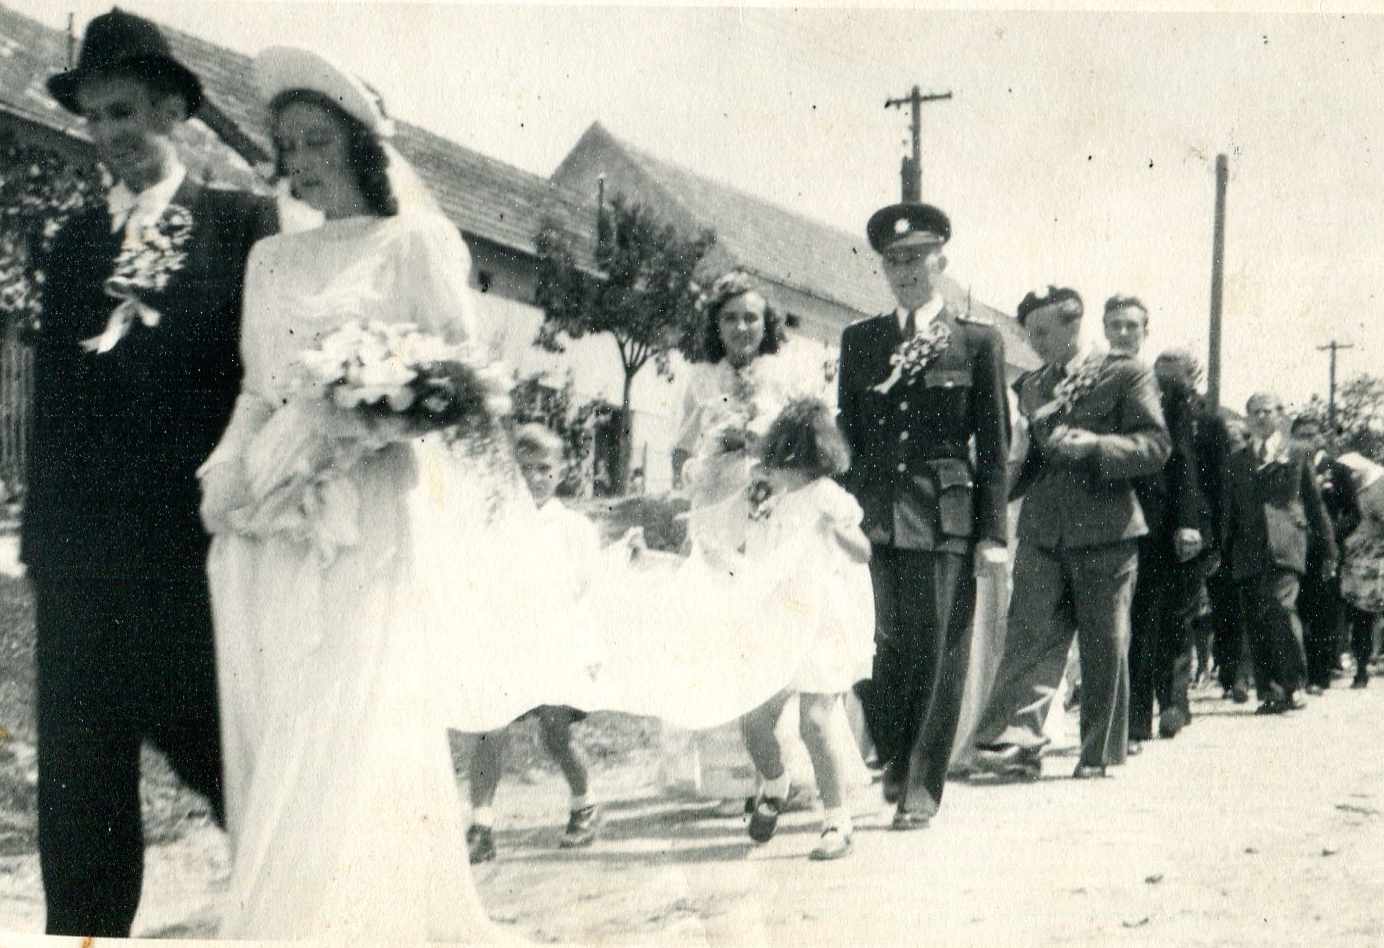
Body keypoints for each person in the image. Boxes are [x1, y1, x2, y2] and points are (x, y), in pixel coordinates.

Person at [197, 47, 519, 940]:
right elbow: (257, 388)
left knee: (356, 701)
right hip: (275, 507)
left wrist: (375, 420)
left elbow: (463, 384)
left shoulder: (412, 242)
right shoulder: (270, 257)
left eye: (317, 140)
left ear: (358, 147)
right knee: (286, 701)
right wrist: (227, 468)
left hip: (369, 508)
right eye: (288, 144)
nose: (301, 160)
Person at [24, 10, 276, 936]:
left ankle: (306, 914)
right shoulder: (74, 244)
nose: (108, 134)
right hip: (82, 568)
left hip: (188, 563)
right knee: (81, 786)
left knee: (229, 762)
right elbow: (53, 406)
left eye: (124, 111)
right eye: (94, 117)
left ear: (174, 110)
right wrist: (44, 551)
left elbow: (264, 382)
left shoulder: (239, 227)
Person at [837, 201, 1009, 828]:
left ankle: (919, 785)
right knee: (877, 646)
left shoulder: (977, 342)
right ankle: (891, 748)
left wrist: (993, 533)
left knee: (937, 651)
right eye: (893, 261)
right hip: (874, 515)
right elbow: (849, 436)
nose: (905, 270)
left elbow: (994, 445)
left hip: (943, 515)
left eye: (917, 258)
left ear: (942, 261)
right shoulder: (861, 341)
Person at [972, 286, 1170, 780]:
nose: (1035, 343)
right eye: (1029, 334)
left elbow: (1155, 445)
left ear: (1074, 323)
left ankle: (1098, 751)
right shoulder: (1032, 386)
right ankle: (1015, 745)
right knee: (1029, 636)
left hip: (1107, 530)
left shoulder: (1124, 373)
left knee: (1105, 642)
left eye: (1043, 332)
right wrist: (987, 503)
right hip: (1043, 530)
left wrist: (1098, 445)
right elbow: (1030, 462)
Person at [466, 424, 641, 863]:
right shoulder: (496, 522)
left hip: (555, 644)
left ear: (561, 472)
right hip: (505, 641)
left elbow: (590, 589)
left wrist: (588, 651)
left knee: (555, 734)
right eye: (525, 469)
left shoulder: (573, 527)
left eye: (545, 469)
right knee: (490, 729)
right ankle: (481, 825)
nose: (535, 478)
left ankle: (584, 803)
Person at [735, 398, 874, 860]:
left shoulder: (828, 496)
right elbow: (749, 549)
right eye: (785, 459)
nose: (791, 470)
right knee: (754, 719)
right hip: (777, 619)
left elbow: (863, 550)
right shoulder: (765, 496)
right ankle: (776, 782)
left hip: (822, 620)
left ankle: (837, 820)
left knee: (816, 720)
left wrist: (841, 533)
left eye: (802, 460)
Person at [1102, 298, 1207, 748]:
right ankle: (1111, 717)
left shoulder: (1167, 389)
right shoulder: (1091, 377)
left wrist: (1187, 522)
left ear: (1146, 332)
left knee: (1145, 619)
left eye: (1132, 326)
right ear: (1104, 329)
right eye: (1115, 325)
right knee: (1109, 620)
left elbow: (1182, 461)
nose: (1123, 333)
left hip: (1154, 520)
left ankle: (1135, 721)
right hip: (1101, 511)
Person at [1221, 393, 1335, 715]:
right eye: (1254, 412)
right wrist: (1221, 549)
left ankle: (1294, 684)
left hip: (1286, 544)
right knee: (1257, 618)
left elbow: (1314, 503)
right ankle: (1271, 691)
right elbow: (1229, 509)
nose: (1261, 417)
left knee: (1282, 610)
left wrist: (1329, 548)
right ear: (1247, 418)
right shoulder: (1236, 460)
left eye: (1267, 411)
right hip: (1248, 548)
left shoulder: (1296, 452)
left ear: (1280, 415)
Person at [1290, 415, 1364, 693]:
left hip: (1324, 551)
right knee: (1295, 608)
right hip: (1293, 547)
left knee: (1322, 611)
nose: (1307, 441)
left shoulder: (1337, 470)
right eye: (1301, 435)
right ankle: (1296, 673)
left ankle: (1319, 675)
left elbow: (1354, 513)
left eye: (1312, 435)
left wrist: (1331, 534)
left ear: (1321, 438)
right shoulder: (1287, 466)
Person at [1336, 452, 1384, 685]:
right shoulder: (1359, 488)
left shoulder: (1377, 488)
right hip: (1355, 561)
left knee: (1364, 615)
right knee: (1359, 616)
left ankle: (1363, 667)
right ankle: (1361, 667)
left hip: (1373, 560)